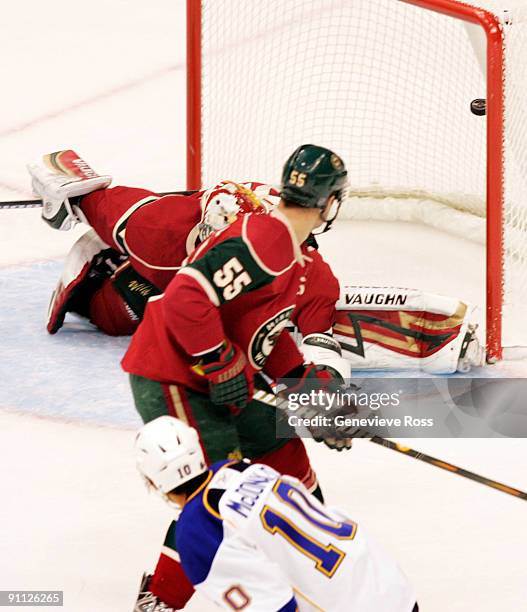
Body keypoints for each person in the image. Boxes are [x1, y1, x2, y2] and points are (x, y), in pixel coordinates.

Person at [133, 415, 418, 612]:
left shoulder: (196, 532)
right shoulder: (244, 469)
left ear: (153, 481)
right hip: (389, 583)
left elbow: (274, 606)